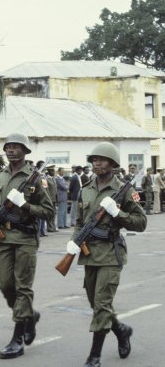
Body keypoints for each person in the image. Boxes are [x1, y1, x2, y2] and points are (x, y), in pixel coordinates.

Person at [64, 142, 146, 367]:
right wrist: (74, 241)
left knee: (101, 304)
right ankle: (121, 330)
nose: (96, 163)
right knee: (96, 303)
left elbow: (141, 223)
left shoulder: (125, 190)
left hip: (111, 254)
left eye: (101, 160)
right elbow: (80, 221)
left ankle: (94, 356)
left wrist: (117, 213)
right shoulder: (86, 188)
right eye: (94, 160)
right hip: (90, 254)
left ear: (112, 163)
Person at [0, 133, 54, 360]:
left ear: (24, 151)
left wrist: (25, 205)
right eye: (8, 147)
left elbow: (48, 211)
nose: (11, 150)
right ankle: (29, 315)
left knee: (23, 287)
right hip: (4, 238)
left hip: (25, 238)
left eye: (16, 147)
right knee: (5, 285)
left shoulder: (34, 178)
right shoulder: (0, 175)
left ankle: (17, 337)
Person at [45, 165, 58, 232]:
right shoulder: (46, 179)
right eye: (52, 171)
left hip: (54, 199)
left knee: (54, 213)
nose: (54, 172)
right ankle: (49, 227)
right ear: (49, 171)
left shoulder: (53, 178)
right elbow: (46, 190)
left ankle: (53, 227)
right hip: (50, 199)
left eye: (54, 170)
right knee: (50, 214)